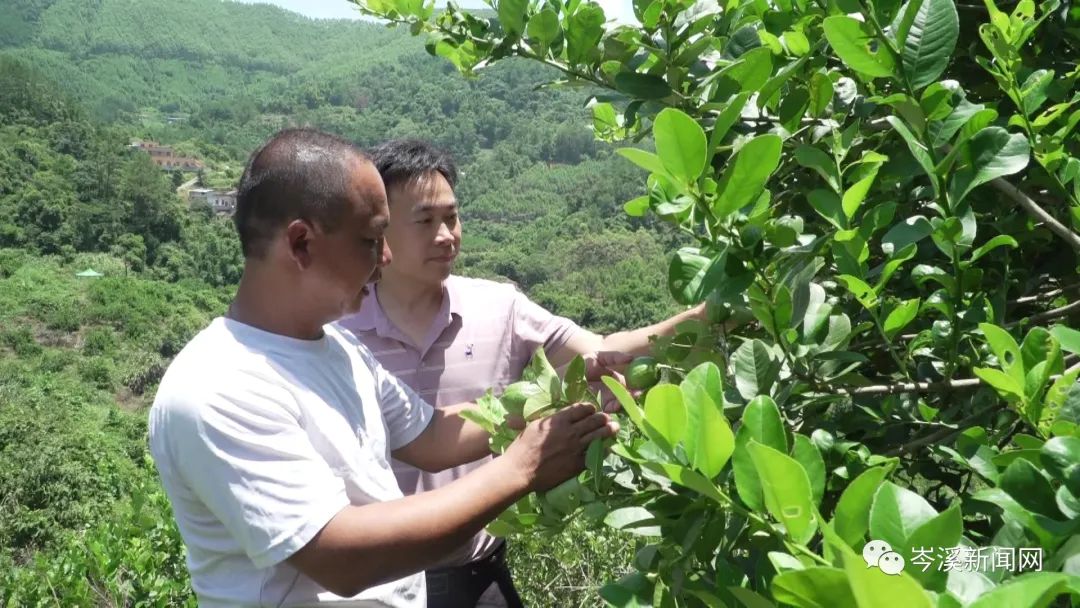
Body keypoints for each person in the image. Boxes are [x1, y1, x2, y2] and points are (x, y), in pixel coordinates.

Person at [147, 128, 619, 607]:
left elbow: (433, 437)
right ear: (301, 244)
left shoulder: (338, 351)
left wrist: (562, 405)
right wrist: (523, 467)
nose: (386, 259)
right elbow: (341, 558)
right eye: (372, 240)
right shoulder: (219, 388)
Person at [338, 139, 711, 608]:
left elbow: (601, 354)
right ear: (381, 230)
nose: (446, 235)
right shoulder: (336, 332)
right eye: (425, 221)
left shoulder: (499, 308)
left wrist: (704, 318)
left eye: (451, 217)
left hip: (480, 575)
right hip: (376, 586)